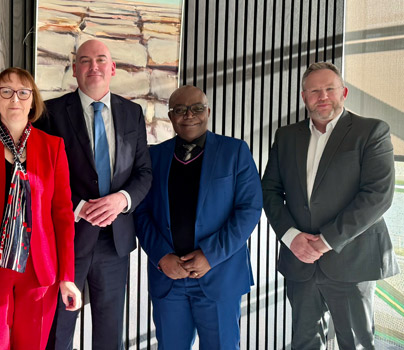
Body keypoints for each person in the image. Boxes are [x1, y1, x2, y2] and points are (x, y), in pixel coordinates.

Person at [262, 62, 399, 349]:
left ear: (343, 92)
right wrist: (291, 238)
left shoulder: (371, 131)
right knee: (305, 341)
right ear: (304, 97)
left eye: (329, 89)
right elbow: (270, 191)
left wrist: (325, 241)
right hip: (300, 261)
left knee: (356, 343)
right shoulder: (286, 136)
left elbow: (377, 196)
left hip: (352, 259)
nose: (322, 96)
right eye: (314, 91)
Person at [0, 67, 81, 349]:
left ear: (33, 101)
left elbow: (63, 217)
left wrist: (67, 278)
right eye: (6, 91)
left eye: (23, 93)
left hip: (40, 272)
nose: (15, 99)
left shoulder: (52, 147)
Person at [35, 39, 153, 349]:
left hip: (115, 242)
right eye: (85, 60)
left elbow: (144, 172)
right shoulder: (51, 113)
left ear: (113, 68)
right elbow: (41, 174)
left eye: (101, 59)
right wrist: (79, 206)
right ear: (74, 70)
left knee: (109, 333)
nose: (94, 66)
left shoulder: (133, 113)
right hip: (67, 239)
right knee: (58, 330)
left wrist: (122, 200)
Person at [133, 85, 262, 348]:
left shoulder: (234, 151)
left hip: (219, 275)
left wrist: (210, 255)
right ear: (170, 117)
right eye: (179, 110)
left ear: (208, 112)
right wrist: (161, 257)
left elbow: (249, 209)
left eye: (197, 108)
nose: (189, 115)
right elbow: (141, 211)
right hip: (169, 278)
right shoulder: (153, 157)